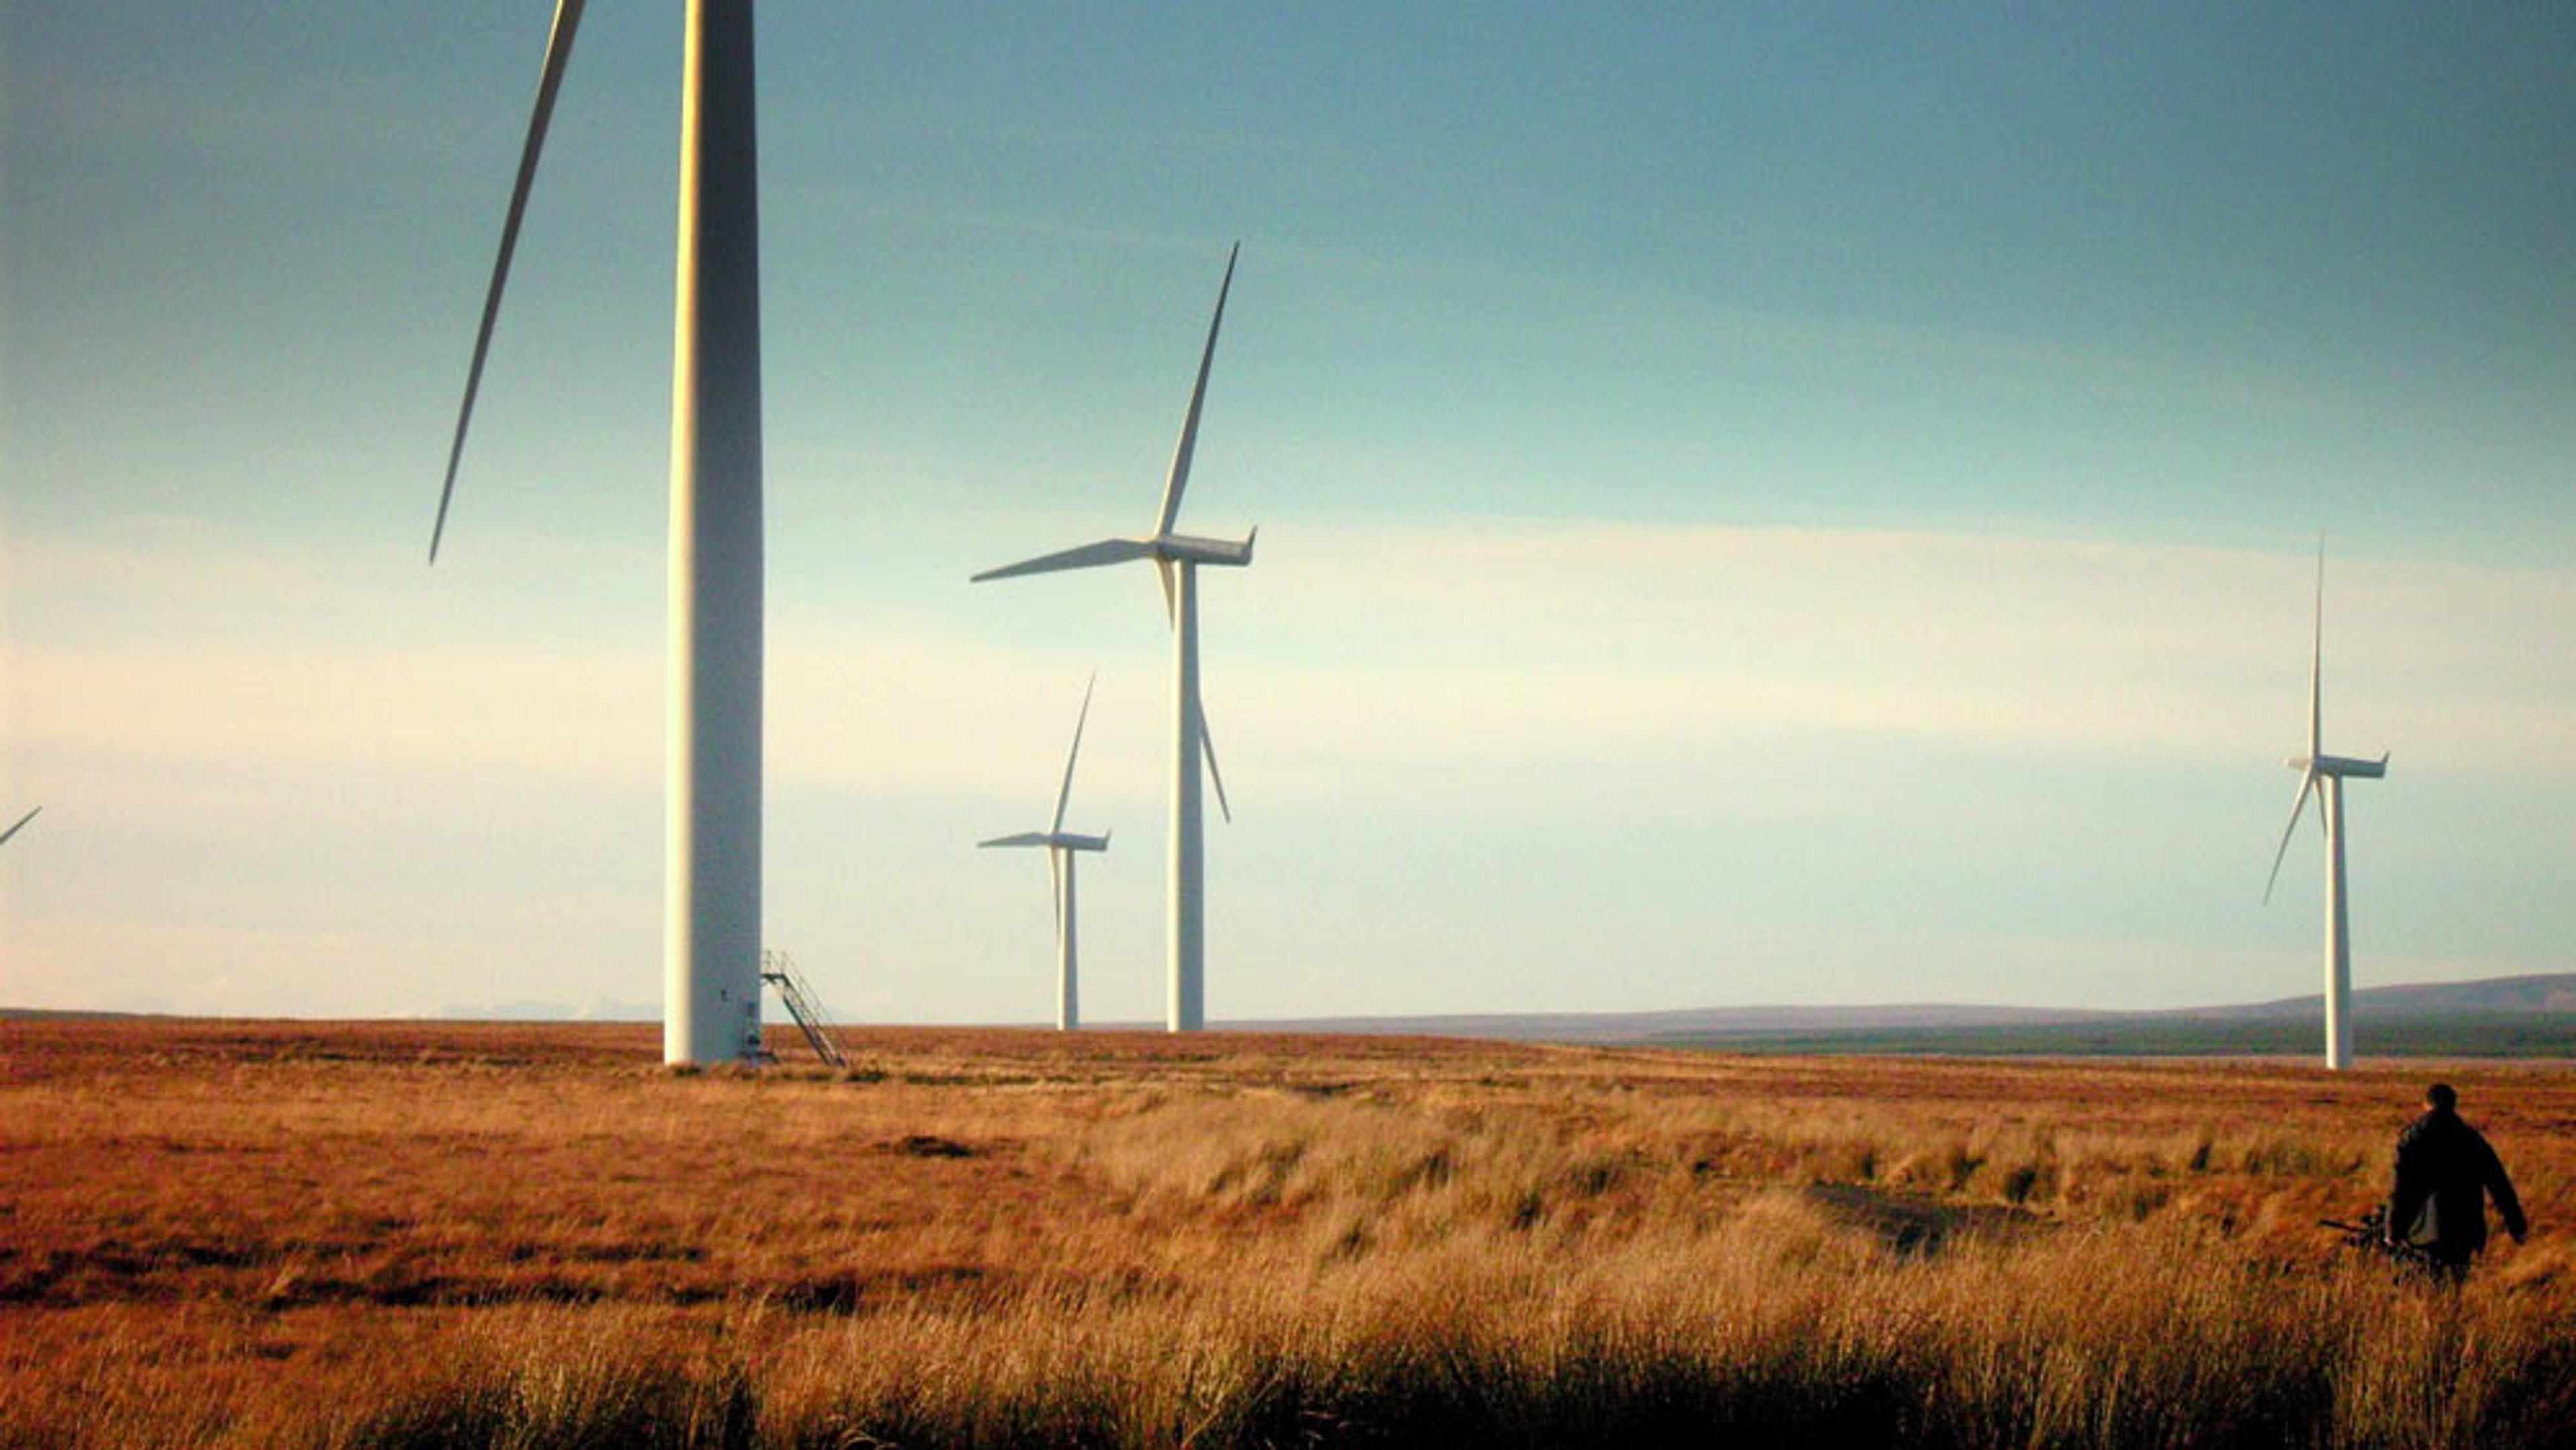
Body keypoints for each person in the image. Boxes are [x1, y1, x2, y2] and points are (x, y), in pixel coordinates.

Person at [2386, 1082, 2526, 1280]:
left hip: (2423, 1228)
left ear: (2426, 1105)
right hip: (2465, 1225)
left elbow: (2400, 1188)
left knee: (2425, 1284)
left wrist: (2393, 1229)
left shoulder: (2412, 1138)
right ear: (2454, 1105)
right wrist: (2516, 1224)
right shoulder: (2471, 1138)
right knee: (2455, 1282)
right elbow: (2499, 1184)